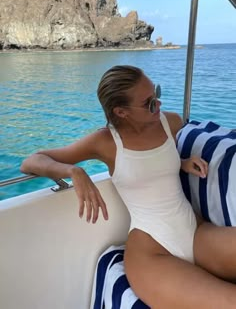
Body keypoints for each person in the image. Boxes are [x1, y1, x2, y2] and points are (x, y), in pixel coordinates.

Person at [21, 65, 236, 308]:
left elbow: (153, 163)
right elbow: (32, 161)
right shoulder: (105, 142)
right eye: (149, 102)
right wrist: (73, 171)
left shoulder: (170, 123)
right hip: (151, 254)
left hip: (196, 233)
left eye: (156, 93)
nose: (159, 104)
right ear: (121, 112)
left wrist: (182, 163)